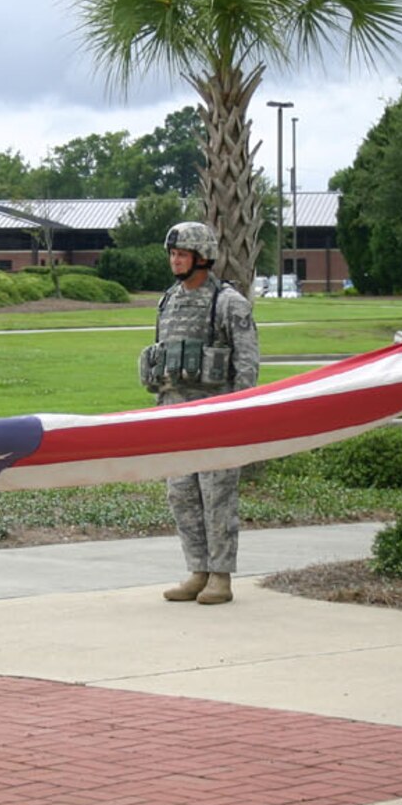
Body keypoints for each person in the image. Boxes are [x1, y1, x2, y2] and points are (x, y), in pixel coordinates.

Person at [140, 220, 260, 605]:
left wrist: (239, 413)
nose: (175, 261)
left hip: (214, 418)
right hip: (174, 417)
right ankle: (198, 570)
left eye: (182, 254)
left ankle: (221, 577)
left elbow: (246, 364)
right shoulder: (168, 300)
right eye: (173, 254)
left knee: (217, 495)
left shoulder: (228, 302)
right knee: (182, 495)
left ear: (202, 258)